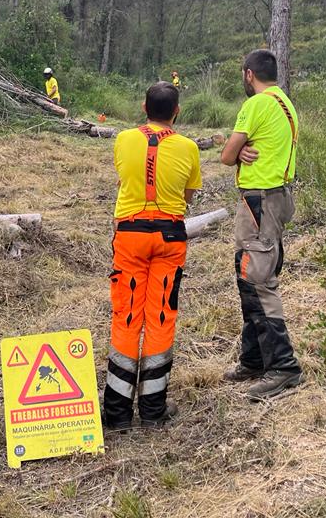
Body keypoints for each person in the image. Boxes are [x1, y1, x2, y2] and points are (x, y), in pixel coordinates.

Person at [103, 82, 202, 431]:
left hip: (130, 236)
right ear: (177, 111)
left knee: (127, 316)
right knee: (160, 315)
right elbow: (188, 196)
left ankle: (116, 413)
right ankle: (152, 408)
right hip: (170, 236)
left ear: (144, 106)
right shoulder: (189, 147)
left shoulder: (123, 139)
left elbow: (123, 178)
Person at [219, 49, 303, 400]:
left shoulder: (255, 105)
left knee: (258, 280)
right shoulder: (285, 104)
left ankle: (283, 367)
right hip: (276, 197)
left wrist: (236, 152)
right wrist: (243, 152)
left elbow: (225, 155)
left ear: (249, 74)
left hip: (260, 201)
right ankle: (253, 358)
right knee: (248, 276)